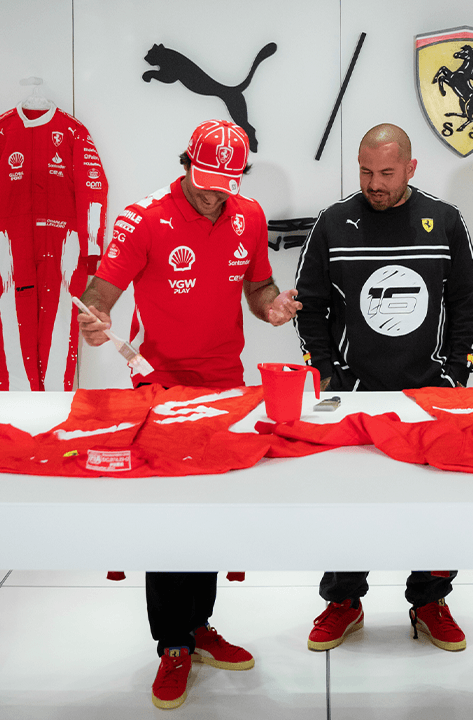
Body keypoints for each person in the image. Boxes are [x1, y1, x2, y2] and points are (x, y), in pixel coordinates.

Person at [77, 119, 301, 710]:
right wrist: (95, 320)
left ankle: (199, 626)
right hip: (161, 386)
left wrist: (273, 308)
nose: (213, 196)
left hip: (225, 384)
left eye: (225, 186)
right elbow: (99, 294)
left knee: (208, 513)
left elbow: (258, 289)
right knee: (169, 517)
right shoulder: (143, 218)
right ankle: (173, 644)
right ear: (185, 165)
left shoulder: (249, 215)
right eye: (204, 183)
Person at [294, 123, 473, 653]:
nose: (374, 184)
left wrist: (455, 376)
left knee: (435, 505)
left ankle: (430, 601)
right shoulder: (333, 223)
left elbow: (466, 302)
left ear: (410, 168)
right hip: (354, 395)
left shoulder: (444, 220)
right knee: (347, 504)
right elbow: (309, 307)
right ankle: (343, 600)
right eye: (365, 172)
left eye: (386, 173)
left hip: (428, 392)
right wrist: (326, 375)